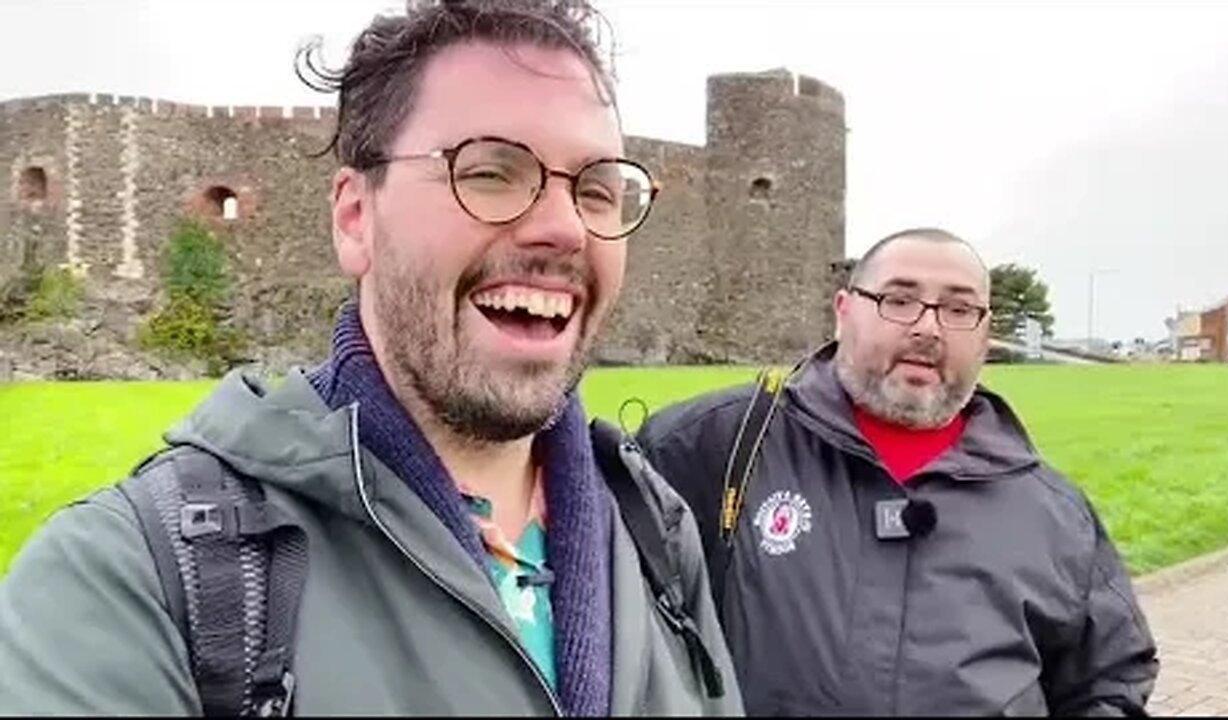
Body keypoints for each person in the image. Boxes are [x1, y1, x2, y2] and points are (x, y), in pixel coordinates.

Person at [0, 1, 742, 715]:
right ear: (356, 218)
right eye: (488, 171)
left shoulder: (655, 533)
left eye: (599, 189)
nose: (564, 228)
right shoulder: (135, 581)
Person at [637, 227, 1159, 716]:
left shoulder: (1052, 512)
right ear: (843, 310)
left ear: (985, 335)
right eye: (899, 300)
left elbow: (1109, 678)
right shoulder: (709, 445)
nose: (928, 328)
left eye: (959, 309)